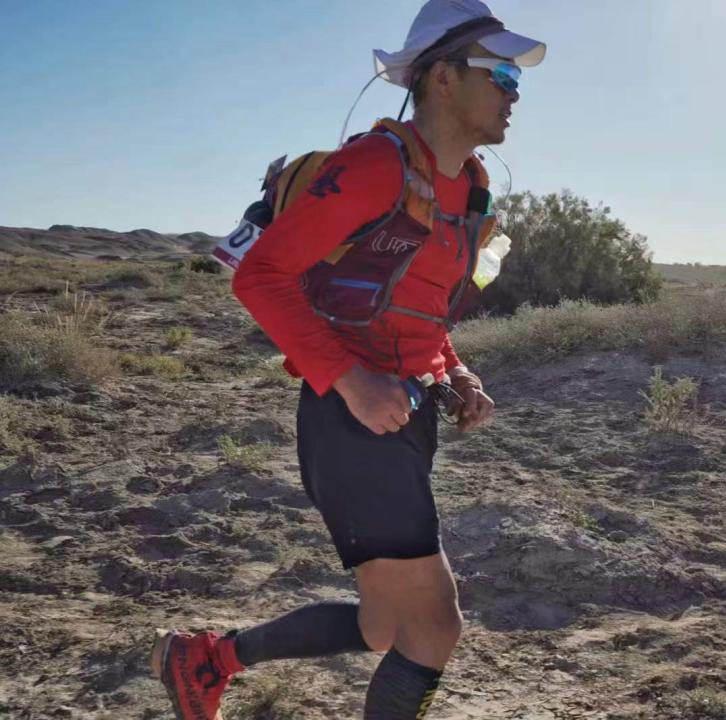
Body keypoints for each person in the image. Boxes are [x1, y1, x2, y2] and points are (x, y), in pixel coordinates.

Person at [149, 2, 545, 718]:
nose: (515, 91)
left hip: (404, 415)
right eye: (503, 72)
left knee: (383, 627)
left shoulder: (472, 188)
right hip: (350, 422)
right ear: (443, 80)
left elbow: (421, 311)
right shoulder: (372, 167)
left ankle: (206, 660)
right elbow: (260, 276)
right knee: (435, 626)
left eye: (518, 76)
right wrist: (352, 380)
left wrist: (454, 370)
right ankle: (205, 660)